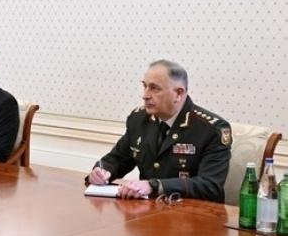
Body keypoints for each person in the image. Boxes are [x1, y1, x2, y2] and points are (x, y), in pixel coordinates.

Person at [86, 59, 231, 202]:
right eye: (145, 86)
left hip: (192, 212)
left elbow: (210, 186)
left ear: (179, 93)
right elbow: (118, 158)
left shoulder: (211, 129)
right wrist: (101, 172)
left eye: (154, 88)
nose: (145, 95)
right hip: (147, 210)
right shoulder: (139, 119)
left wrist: (154, 186)